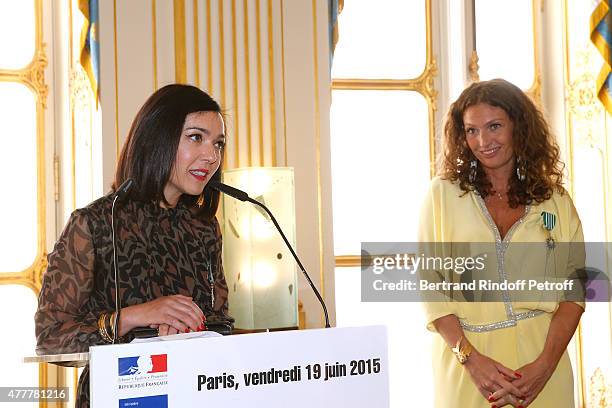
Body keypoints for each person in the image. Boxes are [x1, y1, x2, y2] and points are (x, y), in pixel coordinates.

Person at [35, 84, 232, 407]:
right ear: (158, 138)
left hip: (189, 394)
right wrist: (137, 316)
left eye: (218, 144)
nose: (211, 156)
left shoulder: (204, 227)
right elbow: (51, 339)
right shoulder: (95, 223)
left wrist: (192, 329)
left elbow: (220, 320)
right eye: (196, 137)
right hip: (117, 398)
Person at [419, 79, 585, 407]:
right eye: (471, 130)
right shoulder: (442, 195)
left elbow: (576, 291)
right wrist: (470, 359)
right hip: (469, 374)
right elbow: (430, 287)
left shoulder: (556, 200)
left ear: (518, 127)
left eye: (494, 126)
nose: (483, 141)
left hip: (542, 372)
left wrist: (544, 367)